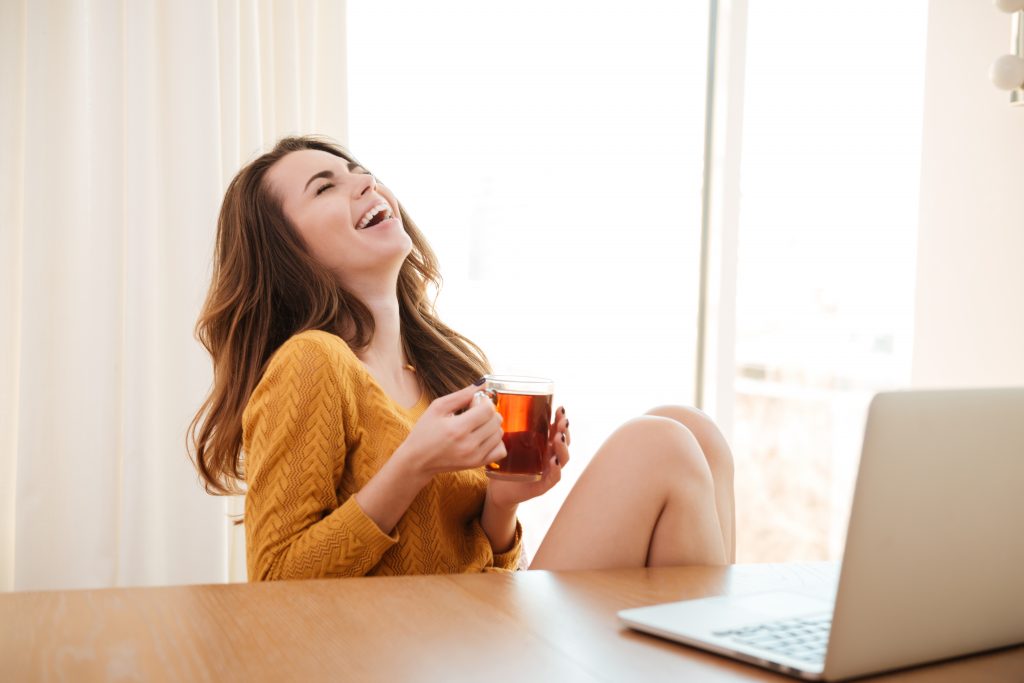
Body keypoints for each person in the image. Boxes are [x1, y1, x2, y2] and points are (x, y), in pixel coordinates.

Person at [189, 135, 735, 581]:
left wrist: (504, 503)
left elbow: (474, 561)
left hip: (476, 624)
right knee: (659, 444)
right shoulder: (312, 362)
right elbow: (275, 580)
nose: (364, 181)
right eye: (325, 186)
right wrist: (413, 464)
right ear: (288, 251)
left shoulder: (435, 366)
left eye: (358, 170)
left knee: (694, 431)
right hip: (417, 649)